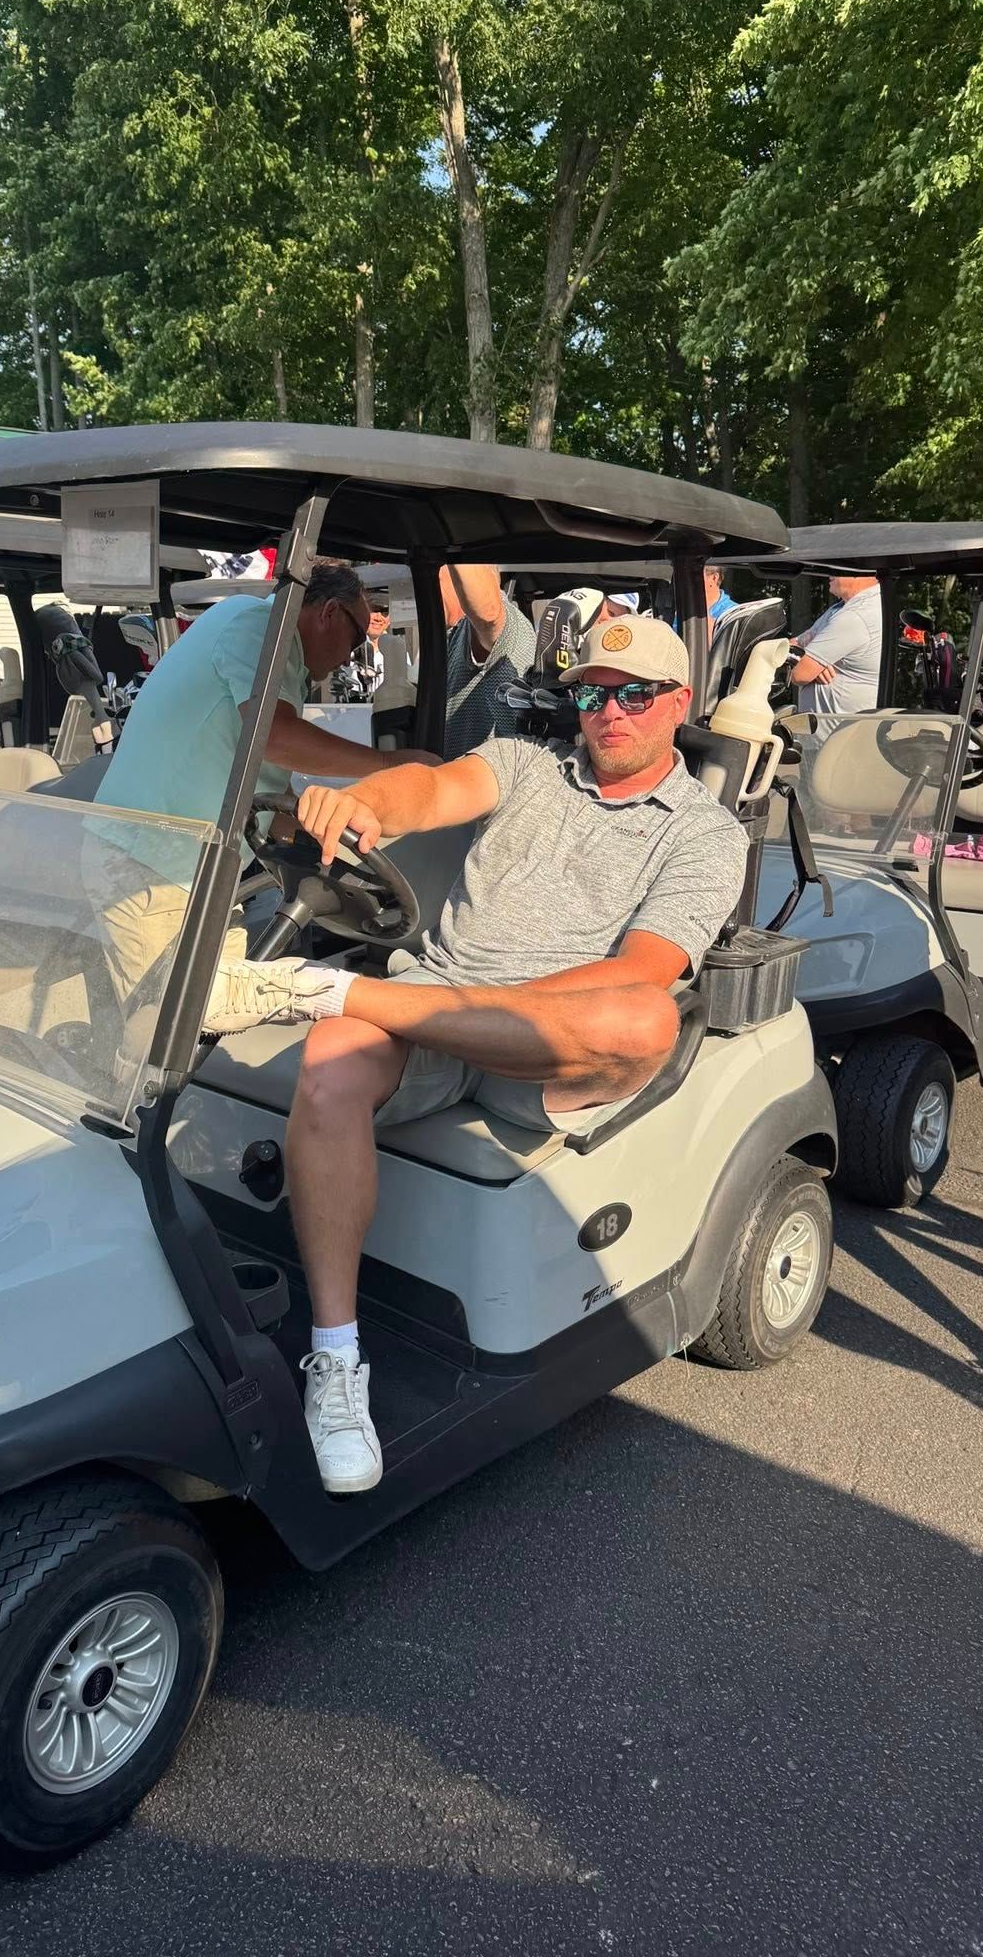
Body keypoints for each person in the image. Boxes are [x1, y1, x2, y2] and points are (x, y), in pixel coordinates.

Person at [201, 614, 749, 1492]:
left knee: (646, 1018)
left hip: (548, 1050)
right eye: (593, 693)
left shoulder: (704, 833)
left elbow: (643, 969)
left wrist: (445, 1008)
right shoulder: (527, 764)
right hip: (433, 1009)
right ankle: (338, 1362)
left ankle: (325, 987)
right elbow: (431, 792)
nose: (610, 712)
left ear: (678, 702)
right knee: (334, 1055)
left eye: (635, 695)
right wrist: (365, 805)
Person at [89, 560, 433, 999]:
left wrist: (335, 837)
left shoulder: (258, 639)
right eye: (355, 638)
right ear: (329, 612)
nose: (350, 657)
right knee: (165, 1028)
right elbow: (273, 738)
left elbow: (266, 785)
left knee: (211, 1019)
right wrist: (390, 765)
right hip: (152, 867)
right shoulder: (258, 627)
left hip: (190, 867)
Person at [441, 564, 537, 757]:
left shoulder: (506, 624)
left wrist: (454, 542)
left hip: (493, 782)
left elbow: (489, 615)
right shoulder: (452, 635)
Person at [790, 574, 883, 713]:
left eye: (839, 567)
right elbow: (794, 643)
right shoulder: (840, 609)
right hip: (832, 733)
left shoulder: (856, 615)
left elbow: (799, 674)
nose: (829, 573)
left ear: (861, 573)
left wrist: (809, 660)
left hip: (843, 733)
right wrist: (812, 660)